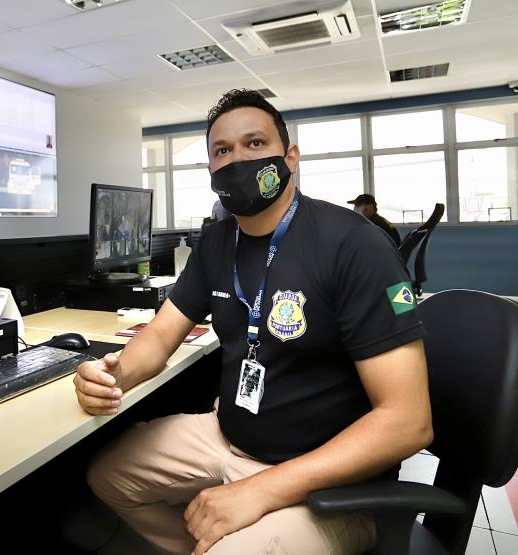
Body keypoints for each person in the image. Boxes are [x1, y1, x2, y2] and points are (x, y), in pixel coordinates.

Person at [76, 89, 432, 555]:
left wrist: (264, 490)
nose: (237, 160)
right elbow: (161, 334)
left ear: (291, 157)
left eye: (255, 144)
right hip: (227, 437)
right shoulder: (217, 242)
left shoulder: (353, 244)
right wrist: (111, 375)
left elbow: (409, 422)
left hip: (328, 480)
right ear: (211, 170)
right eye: (222, 151)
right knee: (108, 477)